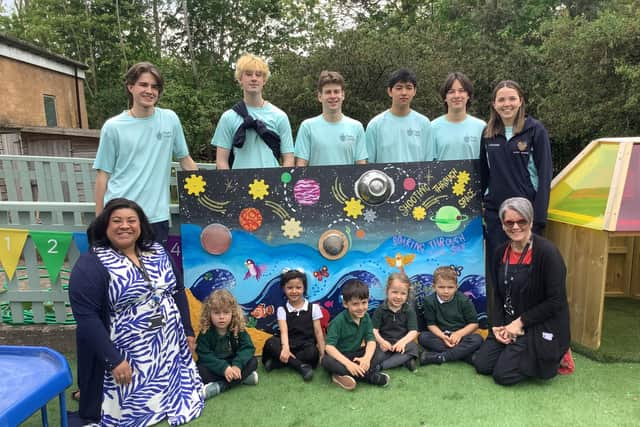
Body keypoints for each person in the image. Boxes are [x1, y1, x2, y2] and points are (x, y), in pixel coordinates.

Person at [68, 198, 203, 426]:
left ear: (141, 225)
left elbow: (178, 290)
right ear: (105, 226)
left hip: (168, 344)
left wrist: (188, 331)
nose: (125, 226)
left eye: (132, 220)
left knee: (171, 387)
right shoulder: (91, 265)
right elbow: (87, 319)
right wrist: (114, 360)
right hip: (123, 353)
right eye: (117, 221)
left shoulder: (157, 252)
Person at [94, 62, 198, 246]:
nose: (149, 91)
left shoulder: (170, 119)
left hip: (156, 218)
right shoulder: (113, 127)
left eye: (154, 86)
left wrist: (206, 196)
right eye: (143, 85)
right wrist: (100, 221)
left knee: (154, 274)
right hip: (120, 216)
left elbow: (185, 160)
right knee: (122, 274)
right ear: (130, 87)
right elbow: (103, 175)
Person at [473, 197, 570, 385]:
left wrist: (521, 323)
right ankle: (512, 351)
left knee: (503, 376)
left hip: (540, 324)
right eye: (509, 222)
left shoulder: (547, 253)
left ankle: (553, 356)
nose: (515, 227)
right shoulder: (500, 252)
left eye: (521, 221)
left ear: (531, 222)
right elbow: (498, 294)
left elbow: (555, 301)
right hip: (511, 322)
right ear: (502, 225)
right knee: (483, 365)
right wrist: (498, 325)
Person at [479, 80, 553, 265]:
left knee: (525, 270)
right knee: (498, 269)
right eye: (501, 100)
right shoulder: (488, 134)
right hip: (496, 215)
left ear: (520, 101)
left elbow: (545, 176)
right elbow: (483, 174)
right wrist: (483, 206)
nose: (507, 104)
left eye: (512, 98)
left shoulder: (535, 131)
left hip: (525, 216)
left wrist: (539, 217)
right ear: (494, 104)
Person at [212, 53, 294, 169]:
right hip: (239, 184)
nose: (254, 78)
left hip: (272, 184)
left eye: (258, 75)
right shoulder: (228, 118)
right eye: (249, 74)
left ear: (264, 80)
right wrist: (230, 186)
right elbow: (221, 162)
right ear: (240, 79)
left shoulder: (280, 117)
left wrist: (283, 185)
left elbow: (289, 159)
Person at [322, 279, 390, 390]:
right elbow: (329, 347)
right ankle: (370, 376)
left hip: (357, 353)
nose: (360, 308)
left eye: (364, 302)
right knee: (326, 361)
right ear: (345, 303)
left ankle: (342, 375)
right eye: (355, 304)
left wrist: (366, 359)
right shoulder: (338, 321)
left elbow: (371, 340)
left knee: (379, 351)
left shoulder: (366, 317)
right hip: (341, 356)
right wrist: (349, 364)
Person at [261, 269, 325, 381]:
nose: (294, 291)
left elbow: (318, 332)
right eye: (290, 288)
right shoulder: (282, 309)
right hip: (287, 343)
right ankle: (300, 366)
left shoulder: (313, 308)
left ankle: (278, 364)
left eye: (298, 287)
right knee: (270, 343)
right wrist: (285, 348)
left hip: (305, 345)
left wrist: (323, 354)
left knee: (312, 354)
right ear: (284, 289)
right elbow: (284, 331)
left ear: (304, 288)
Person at [295, 71, 368, 166]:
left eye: (336, 92)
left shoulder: (356, 127)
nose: (333, 96)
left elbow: (361, 167)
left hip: (347, 181)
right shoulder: (307, 127)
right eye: (328, 92)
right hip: (317, 181)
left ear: (343, 95)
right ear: (320, 96)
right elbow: (301, 167)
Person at [196, 289, 259, 399]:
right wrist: (224, 368)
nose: (221, 317)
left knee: (253, 361)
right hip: (216, 366)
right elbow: (204, 355)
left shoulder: (238, 328)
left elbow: (248, 348)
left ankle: (220, 386)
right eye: (216, 313)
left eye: (226, 312)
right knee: (200, 371)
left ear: (233, 313)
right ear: (209, 313)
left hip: (233, 363)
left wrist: (237, 365)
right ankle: (242, 378)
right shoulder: (205, 332)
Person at [418, 266, 483, 365]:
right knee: (423, 337)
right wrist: (443, 336)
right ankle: (467, 356)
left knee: (477, 339)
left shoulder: (463, 300)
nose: (446, 291)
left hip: (460, 337)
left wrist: (459, 334)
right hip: (441, 337)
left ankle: (441, 357)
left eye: (450, 287)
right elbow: (431, 324)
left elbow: (474, 324)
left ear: (456, 287)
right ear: (434, 286)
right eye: (441, 287)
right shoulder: (429, 301)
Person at [365, 68, 432, 163]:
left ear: (414, 91)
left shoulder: (424, 124)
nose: (404, 93)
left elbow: (428, 163)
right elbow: (369, 166)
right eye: (399, 88)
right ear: (389, 91)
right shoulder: (375, 125)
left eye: (409, 88)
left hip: (416, 178)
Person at [370, 273, 420, 372]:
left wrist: (402, 342)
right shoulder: (380, 310)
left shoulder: (409, 310)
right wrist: (382, 342)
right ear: (387, 291)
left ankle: (381, 367)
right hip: (385, 343)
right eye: (394, 292)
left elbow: (413, 331)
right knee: (376, 356)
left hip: (402, 343)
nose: (398, 297)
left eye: (403, 293)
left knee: (413, 348)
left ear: (407, 294)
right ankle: (404, 361)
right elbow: (373, 330)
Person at [432, 72, 486, 161]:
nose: (457, 95)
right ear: (445, 97)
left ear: (468, 95)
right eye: (451, 92)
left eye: (461, 91)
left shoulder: (481, 127)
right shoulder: (432, 127)